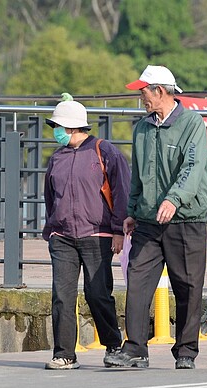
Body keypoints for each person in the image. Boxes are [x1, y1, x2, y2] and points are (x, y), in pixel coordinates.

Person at [104, 65, 207, 370]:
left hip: (185, 219)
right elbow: (138, 174)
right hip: (149, 221)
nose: (141, 98)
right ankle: (135, 349)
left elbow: (193, 168)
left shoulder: (191, 124)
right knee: (137, 280)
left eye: (144, 92)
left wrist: (174, 199)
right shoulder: (142, 128)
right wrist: (132, 211)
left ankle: (187, 350)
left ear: (160, 91)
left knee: (188, 286)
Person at [42, 97, 131, 369]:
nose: (54, 131)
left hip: (98, 235)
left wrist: (118, 231)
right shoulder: (57, 157)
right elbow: (49, 196)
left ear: (71, 127)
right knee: (62, 296)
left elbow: (122, 191)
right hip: (63, 237)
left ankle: (113, 345)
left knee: (98, 294)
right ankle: (64, 353)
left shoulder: (105, 152)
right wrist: (53, 230)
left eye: (57, 126)